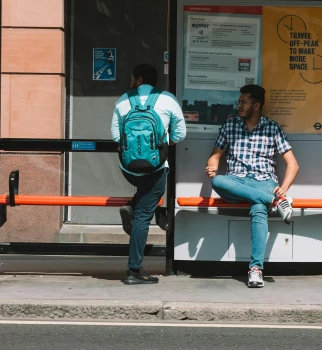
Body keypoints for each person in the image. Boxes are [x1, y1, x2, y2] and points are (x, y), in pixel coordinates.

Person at [205, 84, 299, 288]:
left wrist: (283, 187)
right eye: (239, 101)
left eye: (243, 102)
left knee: (258, 208)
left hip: (264, 181)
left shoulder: (272, 128)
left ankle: (255, 270)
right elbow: (216, 155)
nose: (239, 105)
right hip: (235, 181)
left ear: (256, 106)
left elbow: (293, 164)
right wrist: (212, 165)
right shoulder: (229, 126)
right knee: (218, 181)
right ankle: (276, 201)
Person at [111, 64, 186, 285]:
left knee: (142, 201)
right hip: (156, 168)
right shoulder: (168, 100)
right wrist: (160, 146)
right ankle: (134, 270)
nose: (130, 81)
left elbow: (116, 136)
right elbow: (180, 134)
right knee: (143, 216)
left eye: (133, 78)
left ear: (139, 79)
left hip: (129, 169)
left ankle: (132, 206)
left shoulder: (123, 100)